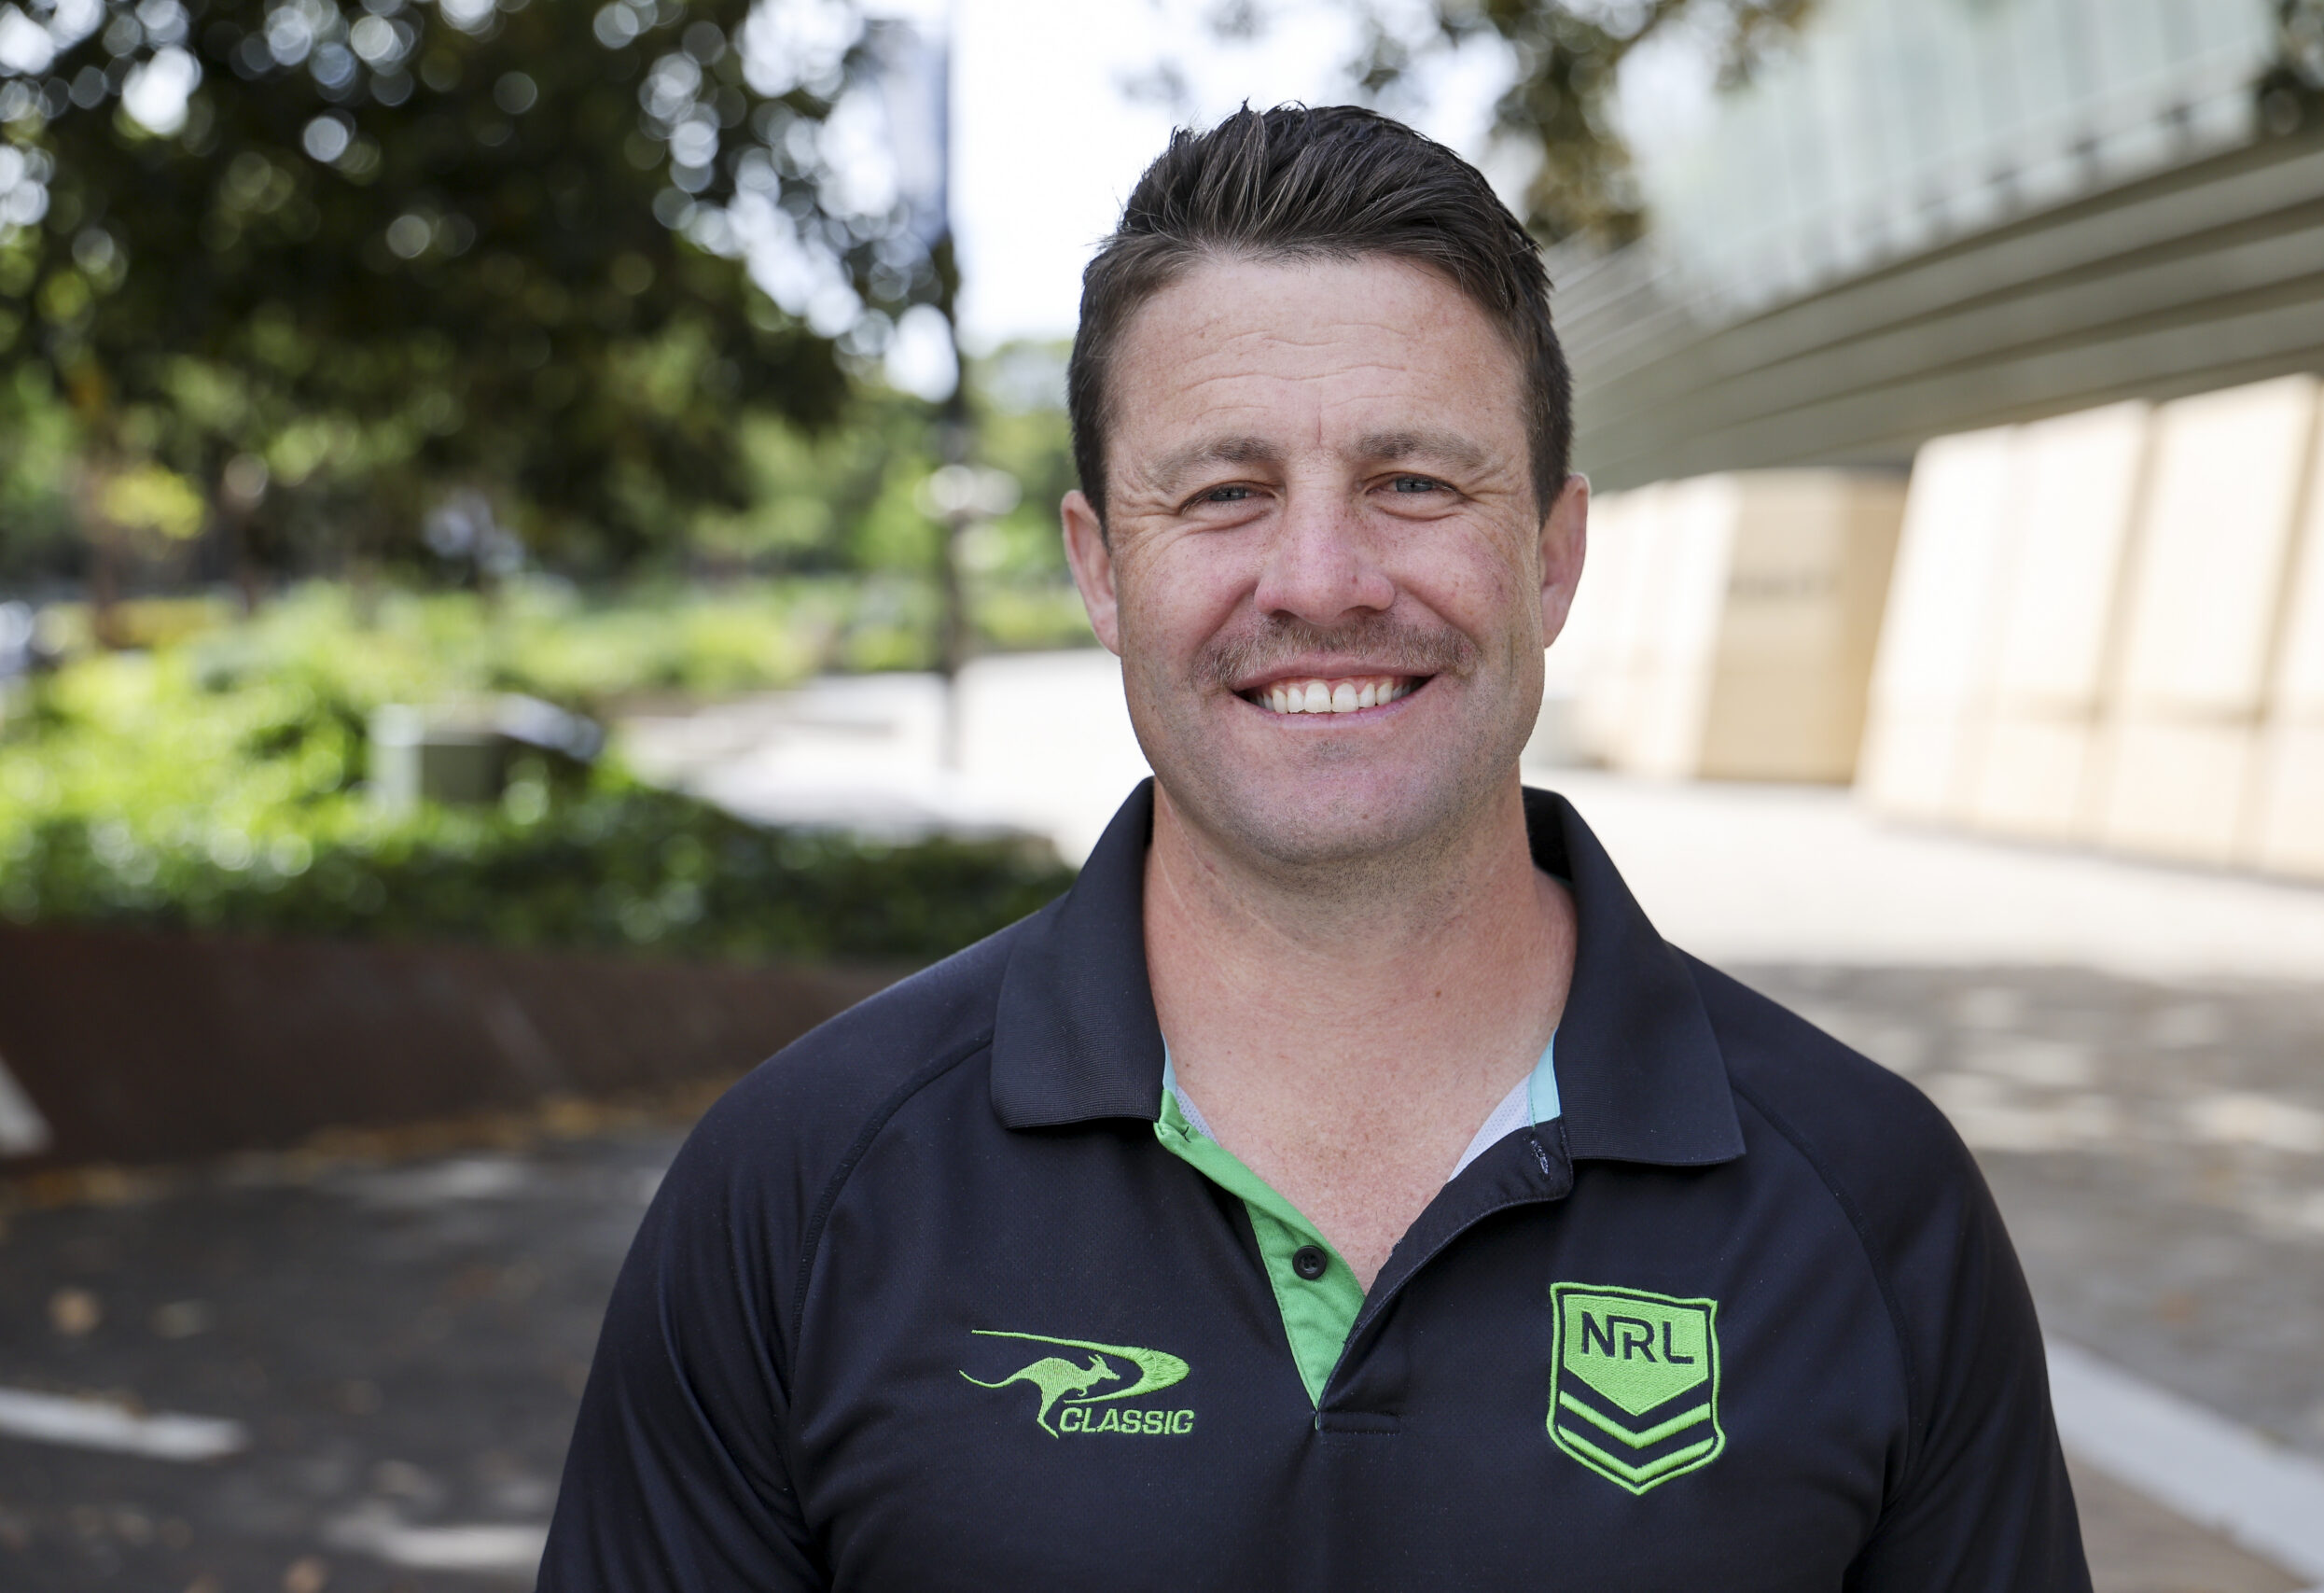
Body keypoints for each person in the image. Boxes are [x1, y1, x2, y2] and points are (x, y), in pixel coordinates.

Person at [539, 105, 2089, 1590]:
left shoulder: (1871, 1198)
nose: (1323, 578)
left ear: (1552, 555)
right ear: (1100, 571)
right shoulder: (800, 1189)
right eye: (1226, 493)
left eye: (1414, 483)